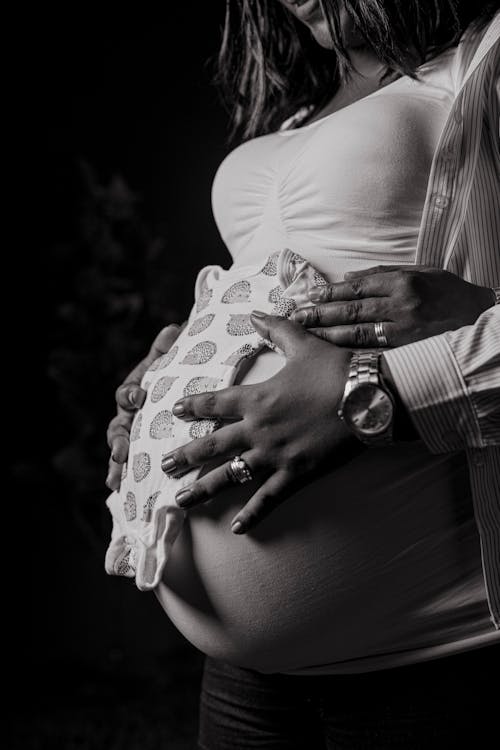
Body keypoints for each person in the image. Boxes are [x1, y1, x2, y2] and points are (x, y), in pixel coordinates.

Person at [105, 1, 500, 747]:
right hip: (246, 684)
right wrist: (172, 376)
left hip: (439, 655)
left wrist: (381, 393)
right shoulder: (304, 104)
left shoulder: (487, 63)